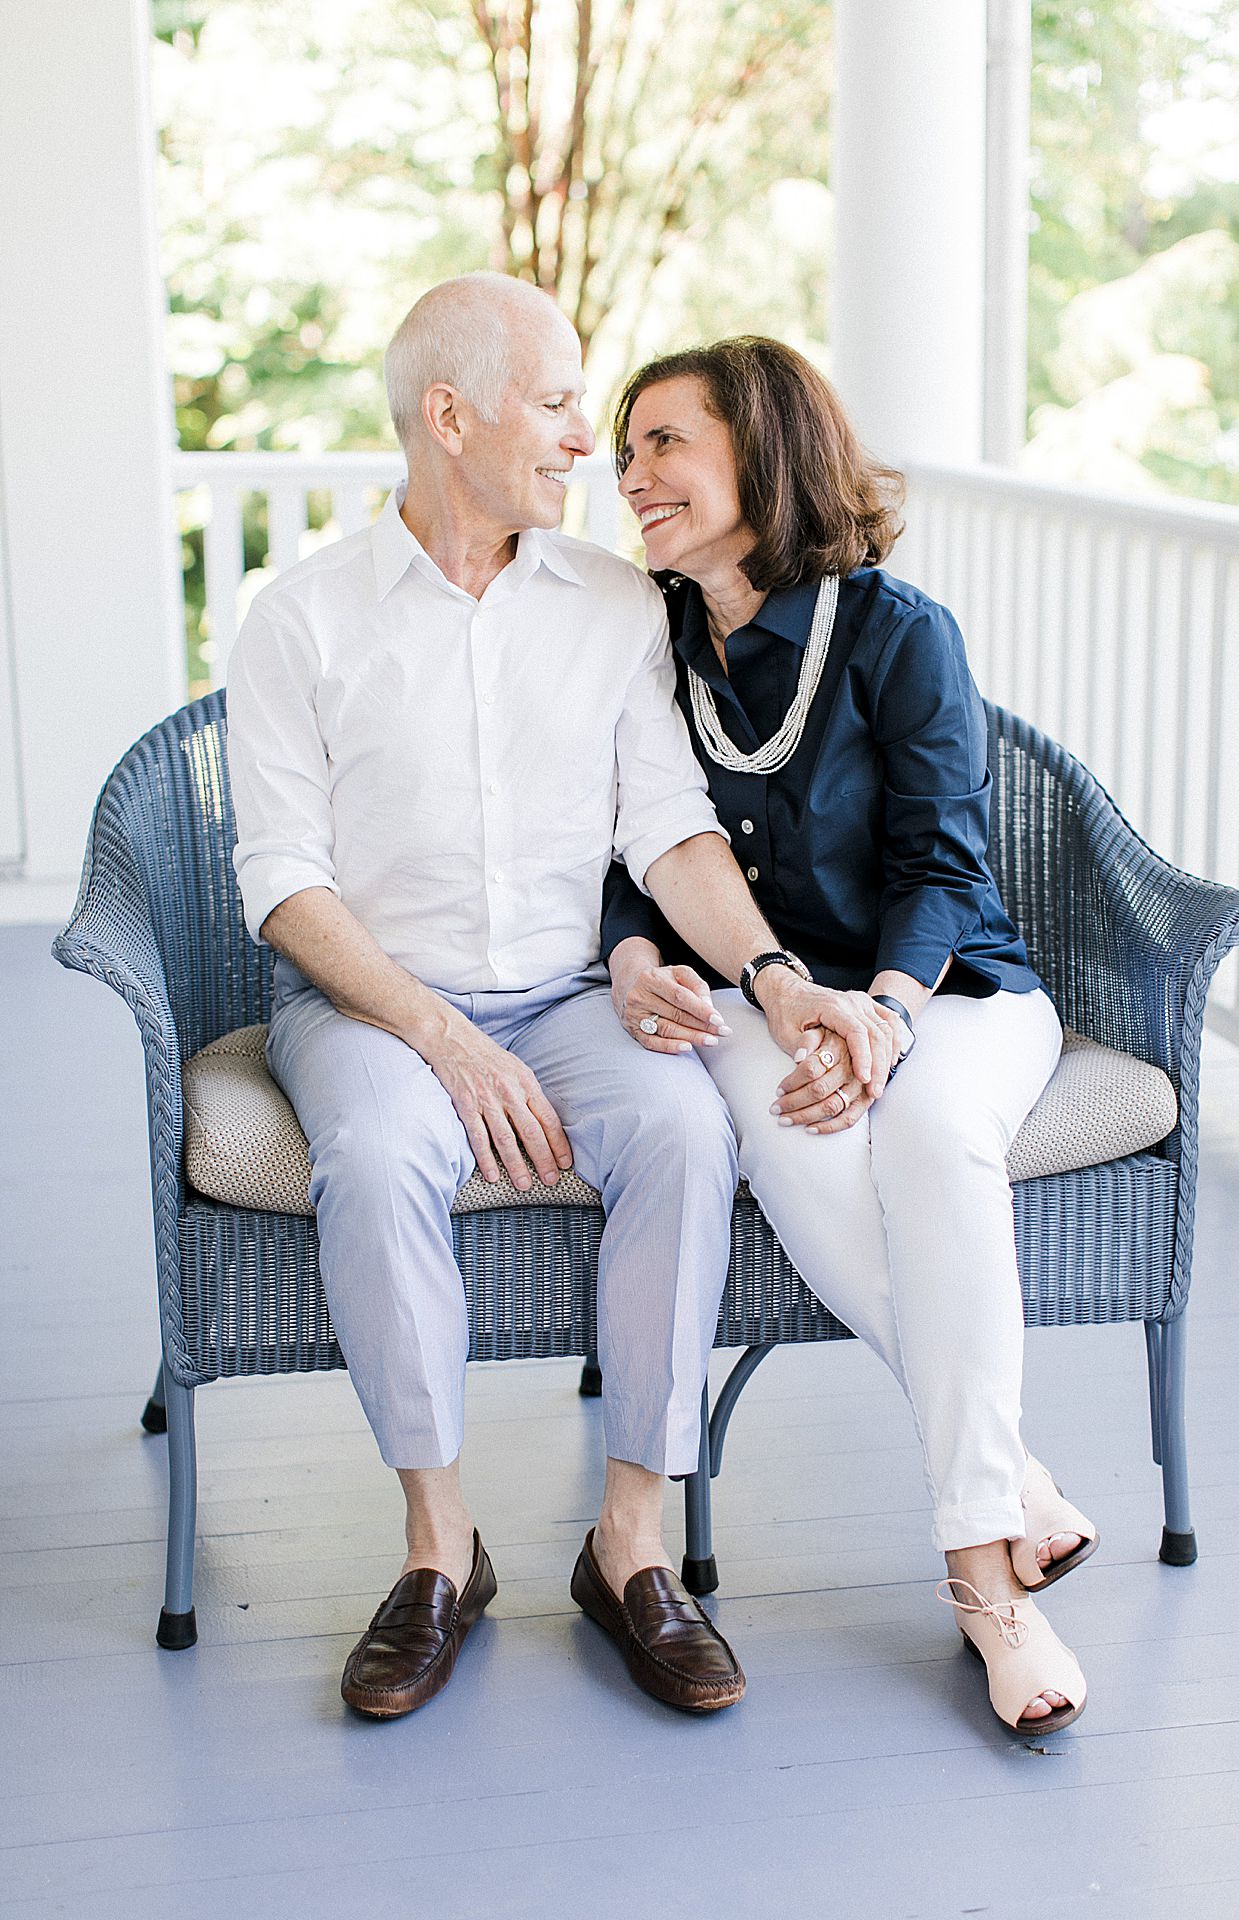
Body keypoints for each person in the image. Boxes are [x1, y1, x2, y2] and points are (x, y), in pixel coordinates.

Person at [226, 276, 874, 1722]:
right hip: (377, 1009)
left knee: (687, 1135)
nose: (591, 441)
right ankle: (438, 1551)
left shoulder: (606, 604)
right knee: (385, 1151)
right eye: (563, 402)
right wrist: (445, 1041)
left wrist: (769, 978)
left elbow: (668, 828)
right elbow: (283, 882)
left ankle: (630, 1548)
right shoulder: (303, 618)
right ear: (451, 417)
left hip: (576, 997)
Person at [603, 336, 1097, 1736]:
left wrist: (882, 1012)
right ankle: (1014, 1498)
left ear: (760, 453)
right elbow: (625, 854)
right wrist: (642, 953)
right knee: (806, 1160)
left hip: (948, 995)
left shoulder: (897, 630)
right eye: (627, 446)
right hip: (763, 1003)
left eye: (663, 444)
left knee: (934, 1138)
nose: (629, 475)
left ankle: (983, 1584)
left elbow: (947, 867)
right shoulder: (646, 639)